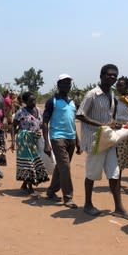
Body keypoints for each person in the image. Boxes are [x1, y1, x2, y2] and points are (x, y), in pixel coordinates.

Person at [76, 64, 128, 221]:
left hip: (109, 139)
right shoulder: (92, 95)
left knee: (114, 173)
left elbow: (108, 118)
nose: (112, 78)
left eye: (114, 76)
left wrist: (114, 124)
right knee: (92, 173)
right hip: (95, 140)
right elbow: (81, 115)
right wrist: (102, 125)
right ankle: (88, 204)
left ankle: (119, 208)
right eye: (109, 75)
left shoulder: (112, 94)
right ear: (101, 75)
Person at [43, 74, 81, 208]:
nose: (67, 86)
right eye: (64, 83)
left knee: (60, 167)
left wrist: (77, 141)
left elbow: (72, 122)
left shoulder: (72, 102)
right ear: (58, 85)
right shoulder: (52, 101)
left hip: (71, 138)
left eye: (69, 83)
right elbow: (45, 123)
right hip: (57, 137)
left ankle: (51, 191)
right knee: (65, 167)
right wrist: (47, 143)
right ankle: (68, 197)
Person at [12, 91, 48, 193]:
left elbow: (41, 125)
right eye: (31, 100)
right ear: (25, 101)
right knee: (29, 163)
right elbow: (13, 126)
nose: (33, 102)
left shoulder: (39, 111)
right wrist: (13, 140)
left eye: (34, 100)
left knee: (35, 162)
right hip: (24, 140)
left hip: (36, 139)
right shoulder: (21, 112)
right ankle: (30, 188)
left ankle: (24, 185)